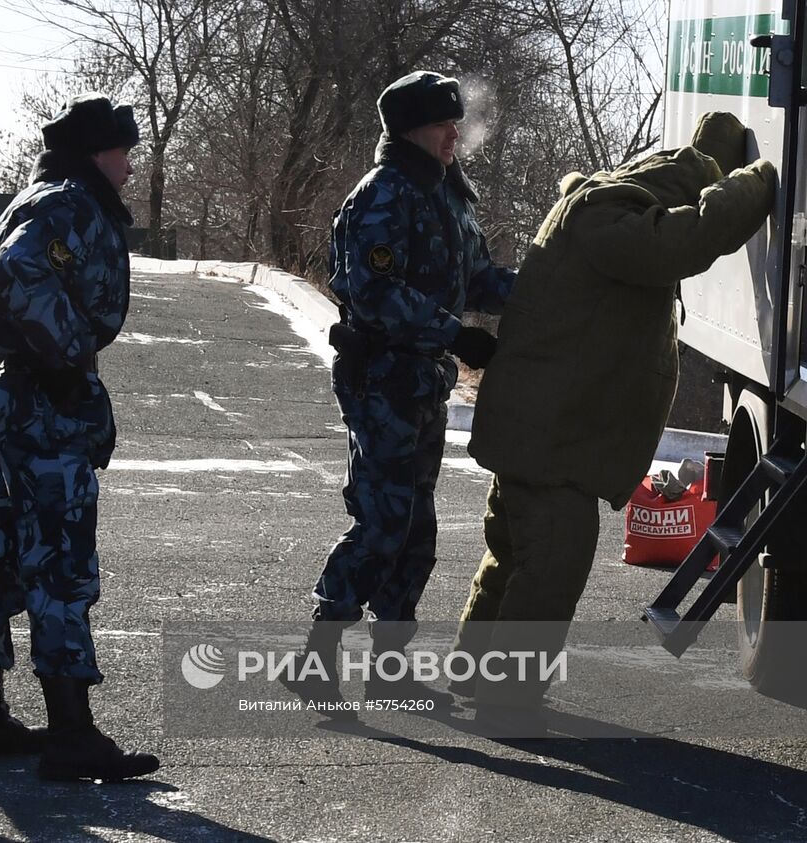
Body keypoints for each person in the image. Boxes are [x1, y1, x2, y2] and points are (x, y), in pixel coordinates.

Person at [451, 112, 776, 735]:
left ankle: (477, 678)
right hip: (551, 435)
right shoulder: (606, 214)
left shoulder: (600, 203)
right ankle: (505, 701)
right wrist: (757, 180)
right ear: (682, 184)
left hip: (543, 427)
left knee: (515, 556)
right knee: (551, 564)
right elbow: (688, 237)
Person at [288, 71, 514, 706]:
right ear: (414, 127)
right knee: (382, 521)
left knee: (417, 527)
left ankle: (390, 668)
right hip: (382, 380)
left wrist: (544, 292)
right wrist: (453, 333)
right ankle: (318, 657)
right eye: (445, 123)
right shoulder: (382, 196)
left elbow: (479, 278)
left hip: (425, 383)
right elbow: (373, 292)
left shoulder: (447, 194)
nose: (455, 133)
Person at [0, 93, 159, 782]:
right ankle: (71, 732)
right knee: (62, 569)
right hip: (47, 408)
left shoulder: (37, 197)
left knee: (2, 554)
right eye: (125, 153)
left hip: (24, 402)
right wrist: (65, 357)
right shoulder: (68, 204)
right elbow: (18, 277)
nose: (130, 169)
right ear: (98, 152)